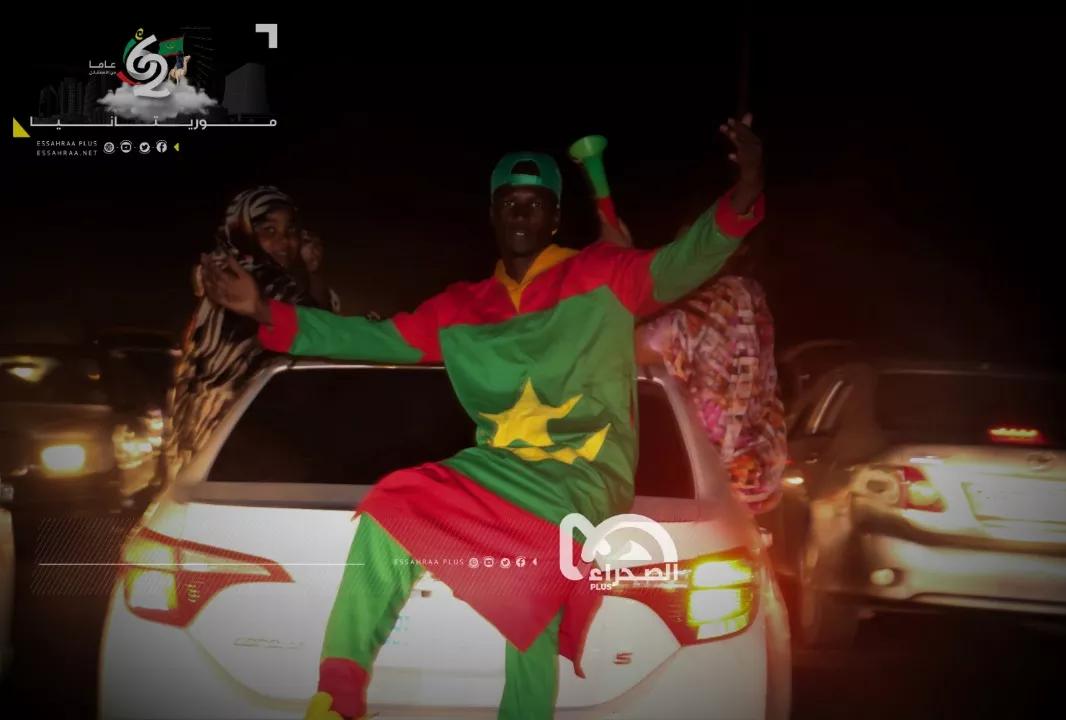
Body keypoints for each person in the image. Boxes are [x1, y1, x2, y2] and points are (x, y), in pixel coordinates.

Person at [200, 117, 765, 720]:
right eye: (508, 203)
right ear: (493, 214)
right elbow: (375, 338)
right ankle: (337, 696)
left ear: (553, 217)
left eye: (534, 203)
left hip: (585, 471)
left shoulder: (603, 276)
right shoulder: (461, 308)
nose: (520, 213)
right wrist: (266, 310)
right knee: (393, 504)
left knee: (540, 556)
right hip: (501, 468)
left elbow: (687, 258)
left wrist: (747, 188)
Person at [627, 117, 787, 514]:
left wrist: (619, 274)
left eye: (691, 242)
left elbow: (629, 348)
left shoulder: (722, 302)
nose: (681, 252)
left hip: (712, 484)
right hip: (749, 485)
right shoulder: (749, 297)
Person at [164, 186, 339, 478]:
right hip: (235, 437)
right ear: (242, 232)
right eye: (268, 230)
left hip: (214, 432)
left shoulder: (227, 273)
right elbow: (323, 333)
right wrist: (312, 274)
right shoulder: (248, 282)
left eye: (291, 230)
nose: (285, 242)